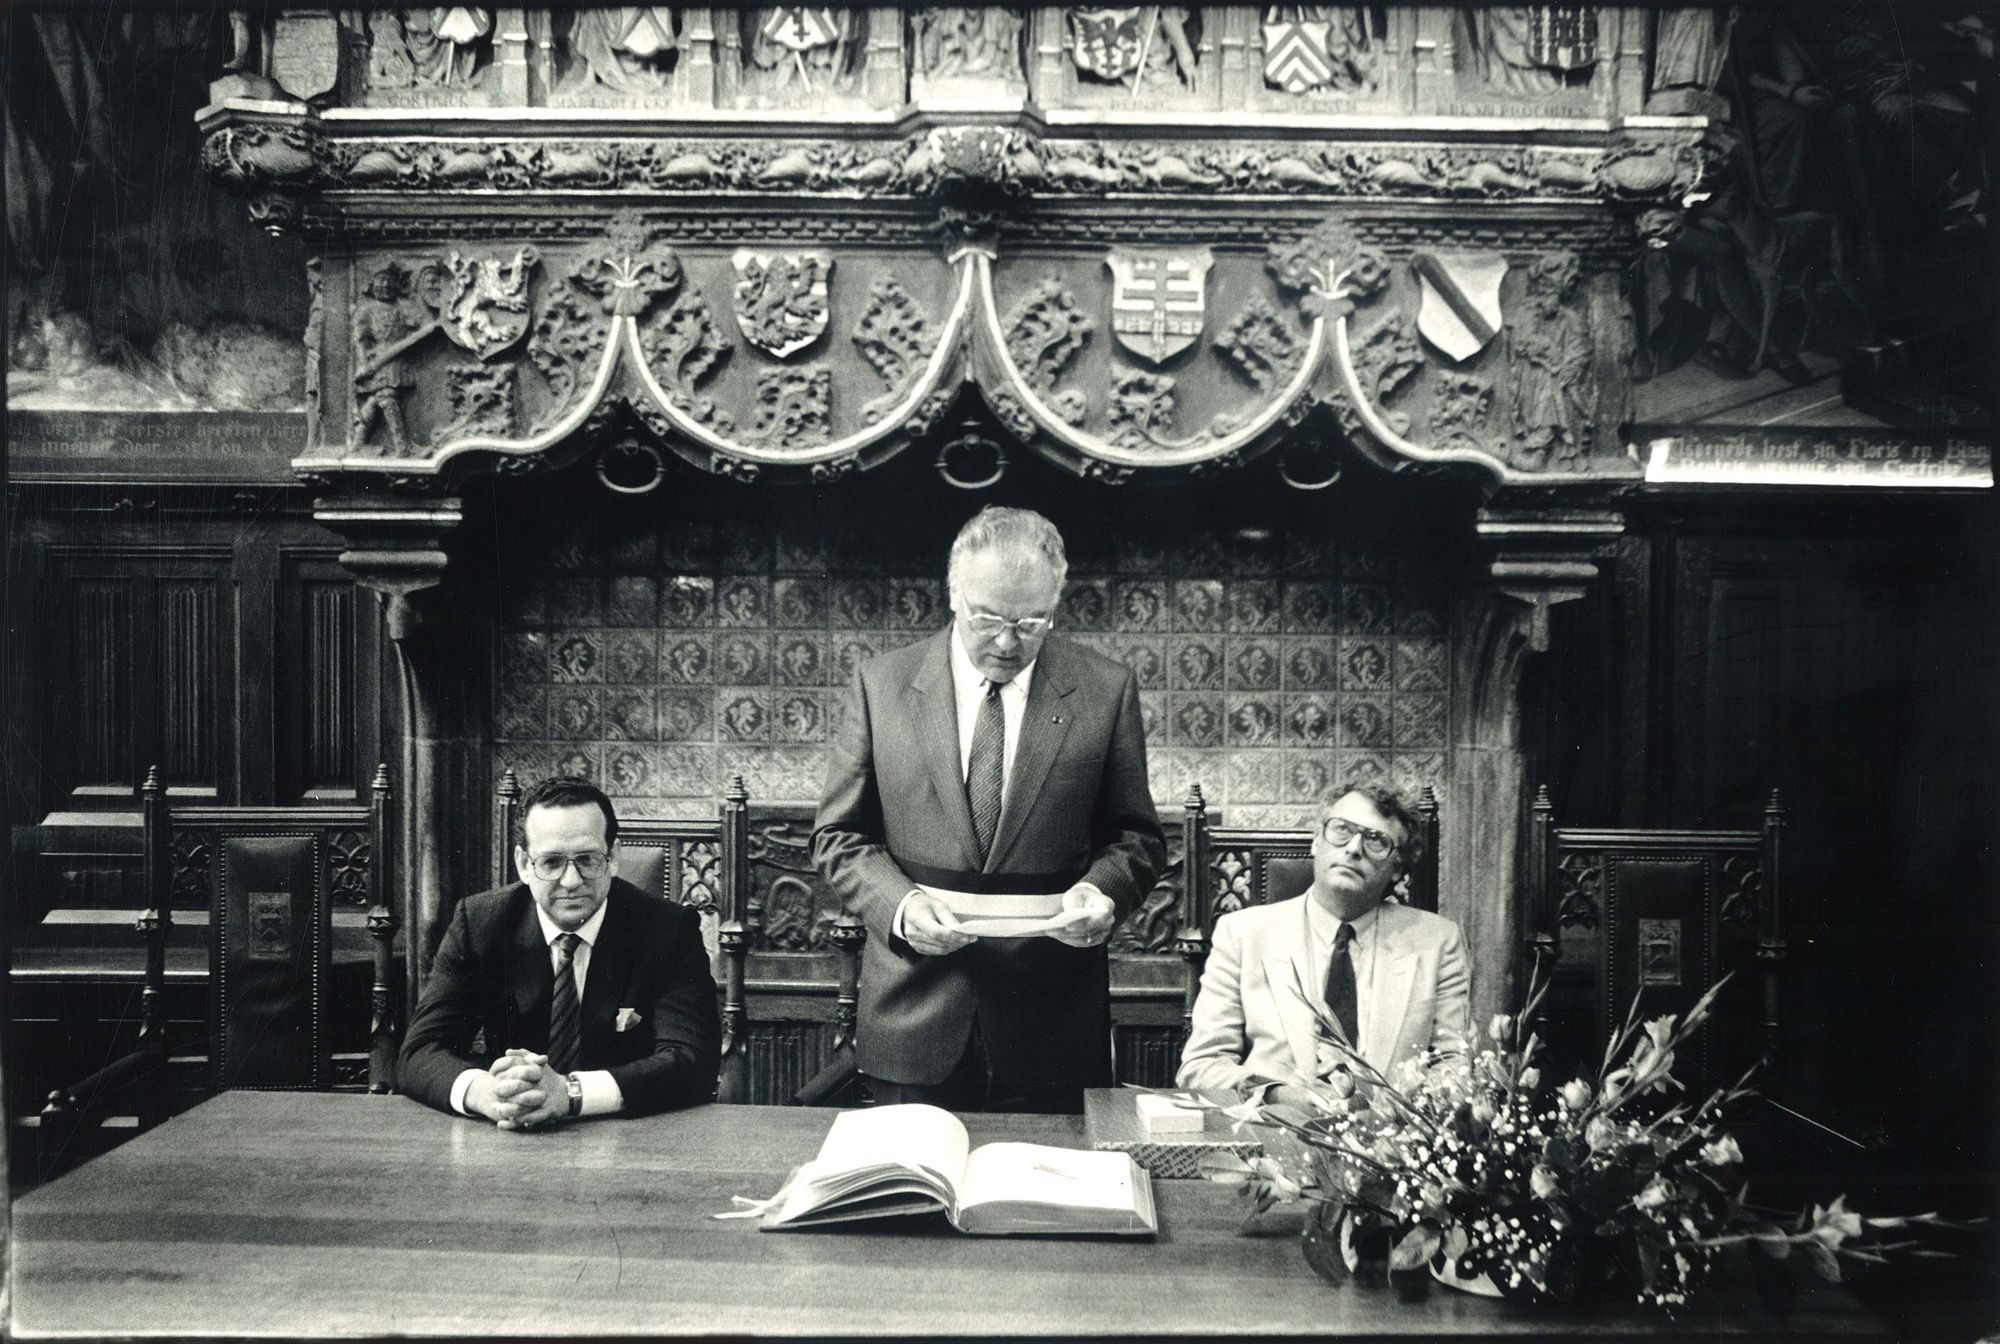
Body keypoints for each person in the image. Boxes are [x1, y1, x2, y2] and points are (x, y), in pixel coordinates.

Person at [813, 506, 1165, 1114]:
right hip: (912, 1010)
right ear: (953, 593)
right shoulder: (883, 685)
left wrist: (1104, 893)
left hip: (1052, 1018)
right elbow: (839, 835)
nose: (1007, 642)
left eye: (1031, 622)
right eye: (987, 619)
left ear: (1056, 604)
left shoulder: (1105, 689)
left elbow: (1136, 837)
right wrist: (899, 907)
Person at [400, 776, 720, 1127]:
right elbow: (420, 1052)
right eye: (551, 862)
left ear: (612, 857)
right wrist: (487, 1093)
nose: (571, 881)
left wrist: (570, 1093)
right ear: (524, 864)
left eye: (587, 859)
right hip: (513, 1135)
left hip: (629, 1136)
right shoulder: (480, 924)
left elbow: (693, 1061)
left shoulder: (668, 931)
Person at [1177, 783, 1469, 1104]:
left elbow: (1455, 1068)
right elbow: (1200, 1067)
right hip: (1271, 1133)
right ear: (1317, 841)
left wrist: (1384, 1109)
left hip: (1389, 1144)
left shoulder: (1438, 942)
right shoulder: (1243, 933)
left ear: (1397, 869)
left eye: (1376, 840)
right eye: (1342, 830)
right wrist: (1280, 1096)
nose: (1354, 848)